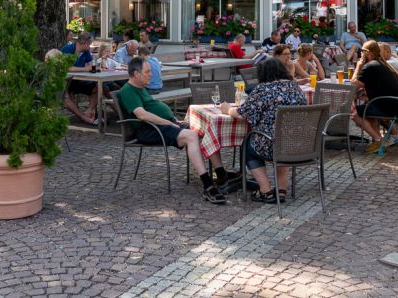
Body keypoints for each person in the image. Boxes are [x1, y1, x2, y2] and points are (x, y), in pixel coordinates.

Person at [119, 58, 228, 204]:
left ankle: (221, 174)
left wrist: (173, 120)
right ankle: (207, 185)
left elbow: (152, 108)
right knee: (191, 136)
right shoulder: (128, 91)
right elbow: (142, 115)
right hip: (149, 130)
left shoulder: (140, 87)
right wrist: (169, 122)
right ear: (136, 74)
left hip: (162, 125)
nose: (151, 75)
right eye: (147, 72)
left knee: (206, 128)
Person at [220, 58, 306, 203]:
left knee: (247, 146)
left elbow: (243, 114)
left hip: (271, 144)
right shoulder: (295, 87)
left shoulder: (263, 89)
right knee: (284, 141)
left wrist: (228, 109)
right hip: (297, 144)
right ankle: (281, 190)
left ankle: (266, 191)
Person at [351, 40, 398, 154]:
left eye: (362, 51)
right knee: (368, 109)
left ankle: (377, 139)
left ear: (367, 52)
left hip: (386, 106)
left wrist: (359, 65)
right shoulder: (383, 64)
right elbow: (378, 85)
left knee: (354, 113)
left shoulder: (370, 66)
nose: (361, 54)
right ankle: (381, 139)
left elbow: (354, 83)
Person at [64, 33, 100, 124]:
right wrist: (85, 69)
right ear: (85, 43)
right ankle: (83, 116)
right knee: (66, 96)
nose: (90, 46)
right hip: (66, 81)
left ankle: (89, 110)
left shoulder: (86, 51)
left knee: (98, 87)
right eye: (89, 44)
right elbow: (66, 67)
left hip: (78, 80)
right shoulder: (68, 49)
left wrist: (96, 68)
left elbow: (91, 64)